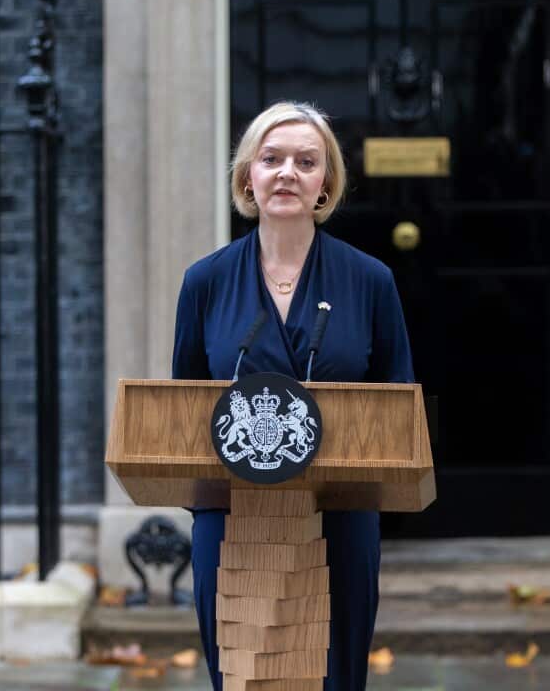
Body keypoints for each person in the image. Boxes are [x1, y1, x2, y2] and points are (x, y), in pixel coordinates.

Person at [171, 101, 414, 691]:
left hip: (339, 516)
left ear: (325, 182)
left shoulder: (370, 281)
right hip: (231, 514)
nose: (287, 173)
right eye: (272, 159)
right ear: (247, 176)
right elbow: (184, 411)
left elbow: (398, 406)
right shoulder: (205, 282)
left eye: (306, 162)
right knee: (243, 676)